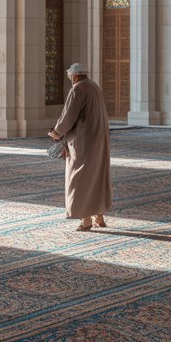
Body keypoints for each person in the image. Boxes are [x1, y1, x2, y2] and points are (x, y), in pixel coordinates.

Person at [47, 62, 111, 231]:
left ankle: (86, 220)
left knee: (80, 177)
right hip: (98, 139)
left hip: (83, 141)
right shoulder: (94, 87)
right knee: (96, 175)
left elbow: (69, 114)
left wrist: (56, 132)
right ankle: (99, 216)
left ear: (74, 76)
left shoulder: (78, 89)